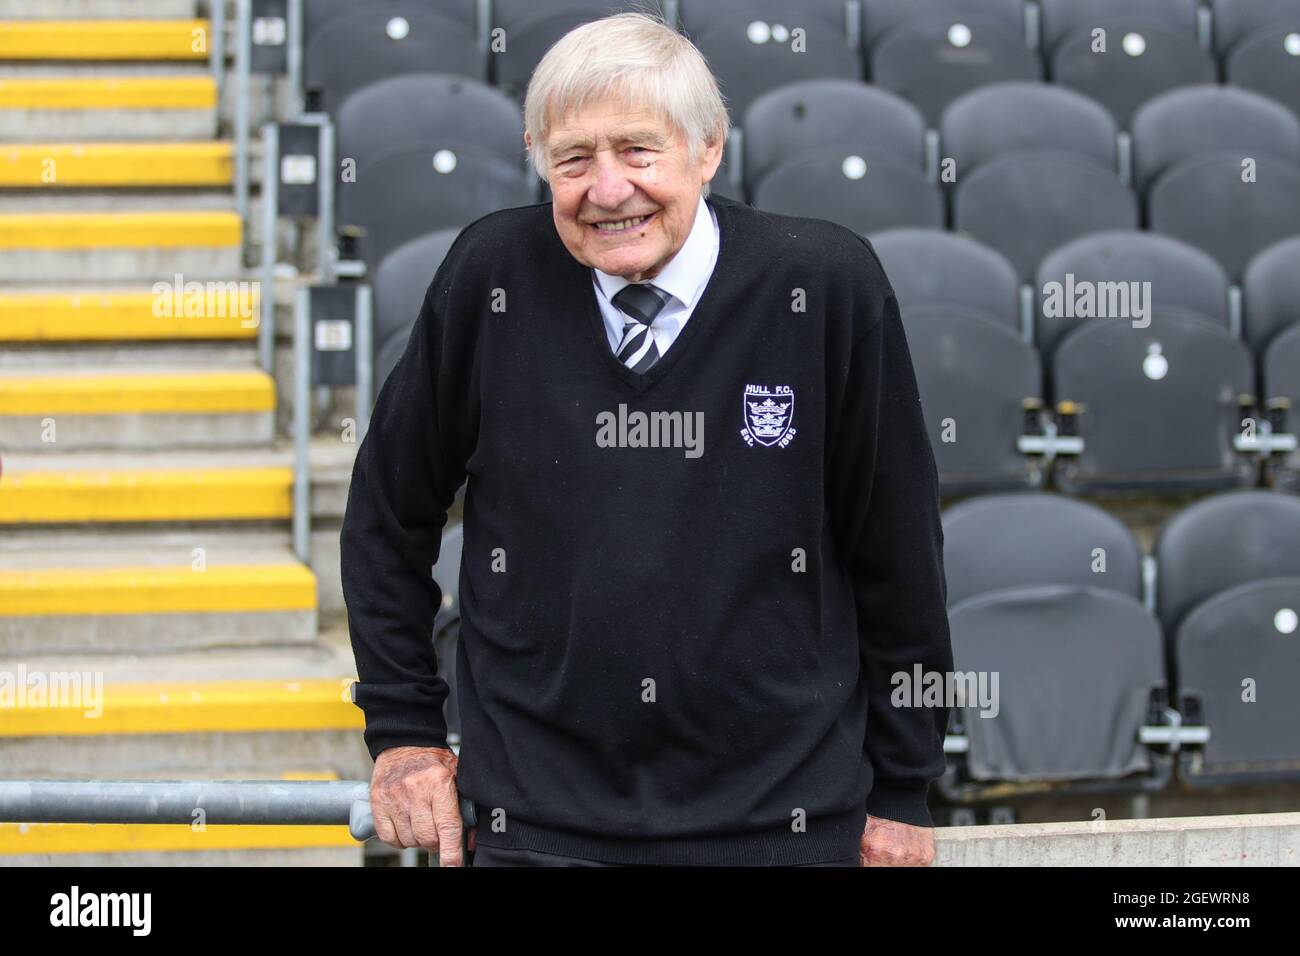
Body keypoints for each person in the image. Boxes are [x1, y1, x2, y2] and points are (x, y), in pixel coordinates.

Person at [340, 12, 953, 868]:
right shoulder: (490, 277)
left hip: (785, 827)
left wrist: (902, 788)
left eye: (637, 150)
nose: (607, 188)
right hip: (536, 831)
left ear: (708, 148)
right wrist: (404, 732)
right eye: (573, 159)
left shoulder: (824, 284)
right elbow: (385, 516)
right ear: (536, 158)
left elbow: (898, 552)